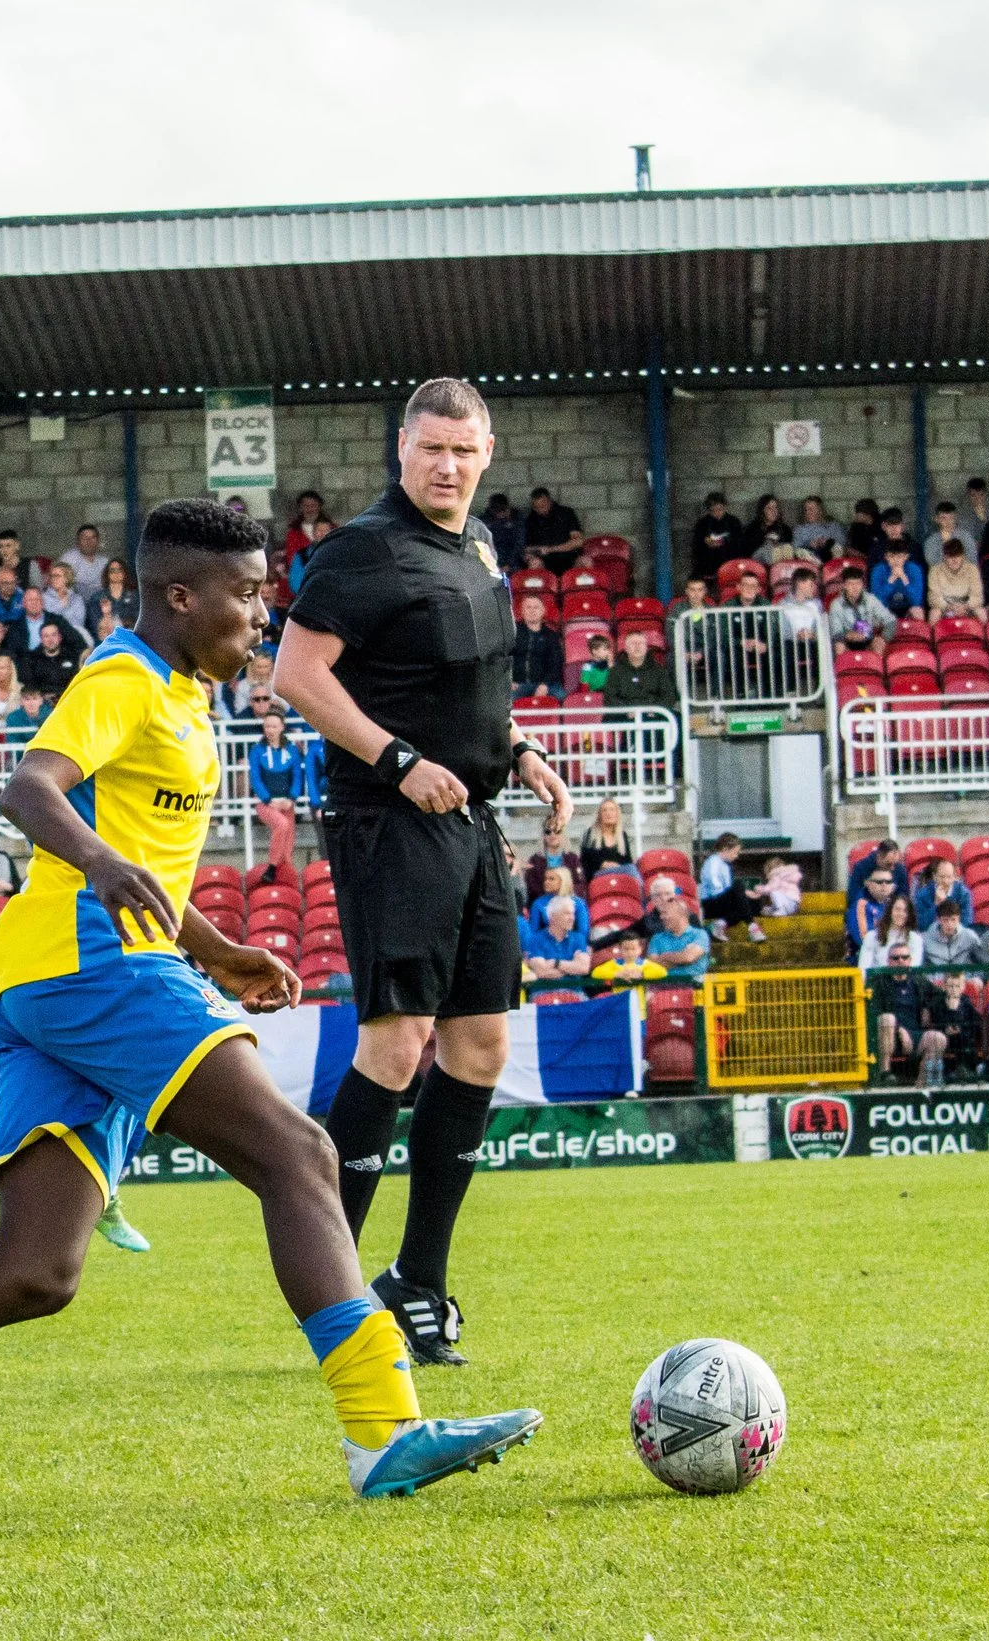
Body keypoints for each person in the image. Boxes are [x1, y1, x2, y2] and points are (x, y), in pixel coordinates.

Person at [0, 489, 541, 1506]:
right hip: (90, 966)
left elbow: (144, 872)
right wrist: (97, 862)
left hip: (58, 979)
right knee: (297, 1153)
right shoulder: (123, 676)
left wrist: (218, 949)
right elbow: (28, 787)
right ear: (180, 595)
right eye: (248, 596)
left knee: (34, 1271)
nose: (262, 616)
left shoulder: (181, 696)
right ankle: (383, 1433)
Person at [279, 374, 577, 1374]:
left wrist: (520, 747)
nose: (445, 465)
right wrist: (398, 762)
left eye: (463, 449)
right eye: (428, 450)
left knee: (481, 1045)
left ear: (486, 452)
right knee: (396, 1043)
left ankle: (417, 1285)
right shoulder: (360, 551)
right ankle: (331, 1292)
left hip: (472, 820)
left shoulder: (478, 548)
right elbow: (296, 677)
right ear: (399, 453)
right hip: (386, 820)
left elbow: (469, 685)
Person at [248, 709, 304, 886]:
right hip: (267, 803)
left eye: (273, 726)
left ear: (281, 728)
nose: (269, 730)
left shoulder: (292, 750)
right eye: (267, 726)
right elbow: (255, 778)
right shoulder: (257, 750)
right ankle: (271, 867)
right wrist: (268, 800)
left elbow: (297, 776)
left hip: (287, 803)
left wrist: (292, 798)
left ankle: (285, 884)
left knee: (287, 852)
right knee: (281, 825)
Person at [872, 942, 929, 1080]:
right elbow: (874, 1010)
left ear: (910, 960)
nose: (900, 961)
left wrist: (927, 1007)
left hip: (914, 1033)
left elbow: (938, 996)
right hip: (889, 1034)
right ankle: (884, 1073)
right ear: (888, 961)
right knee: (887, 1019)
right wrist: (899, 1029)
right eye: (895, 958)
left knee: (937, 1039)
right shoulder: (878, 981)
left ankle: (924, 1079)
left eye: (904, 957)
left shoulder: (919, 980)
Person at [698, 833, 766, 943]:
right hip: (710, 902)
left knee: (753, 905)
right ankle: (752, 927)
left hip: (722, 900)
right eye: (735, 852)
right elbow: (716, 888)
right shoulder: (713, 863)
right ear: (725, 849)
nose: (737, 856)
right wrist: (740, 894)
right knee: (738, 885)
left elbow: (730, 889)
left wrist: (744, 894)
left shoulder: (725, 865)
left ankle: (719, 924)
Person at [921, 973, 983, 1086]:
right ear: (944, 986)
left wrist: (962, 1028)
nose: (954, 989)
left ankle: (964, 1068)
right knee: (939, 1039)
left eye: (957, 986)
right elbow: (936, 1021)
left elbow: (974, 1022)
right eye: (951, 986)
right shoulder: (939, 1003)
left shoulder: (967, 1002)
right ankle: (945, 1072)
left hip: (963, 1038)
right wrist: (945, 1029)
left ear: (963, 987)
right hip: (945, 1037)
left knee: (964, 1039)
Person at [601, 630, 680, 711]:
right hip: (624, 719)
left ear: (646, 648)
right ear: (626, 648)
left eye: (641, 643)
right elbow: (609, 697)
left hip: (654, 717)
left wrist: (655, 710)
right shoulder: (615, 671)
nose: (637, 646)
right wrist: (627, 711)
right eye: (633, 643)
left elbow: (669, 695)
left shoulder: (659, 670)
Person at [522, 896, 591, 980]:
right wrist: (572, 968)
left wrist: (556, 963)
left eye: (573, 914)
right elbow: (541, 972)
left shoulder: (578, 938)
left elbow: (584, 968)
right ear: (552, 916)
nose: (572, 918)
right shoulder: (535, 939)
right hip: (544, 991)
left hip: (574, 991)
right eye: (567, 913)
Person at [645, 895, 711, 982]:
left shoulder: (700, 935)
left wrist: (663, 956)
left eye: (665, 913)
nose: (661, 917)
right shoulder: (657, 938)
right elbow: (652, 965)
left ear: (680, 914)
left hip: (695, 990)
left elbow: (689, 957)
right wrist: (682, 957)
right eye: (661, 913)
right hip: (664, 991)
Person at [826, 568, 894, 649]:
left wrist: (883, 637)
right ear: (844, 585)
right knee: (839, 646)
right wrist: (849, 635)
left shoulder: (871, 599)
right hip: (846, 641)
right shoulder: (836, 604)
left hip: (868, 639)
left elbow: (890, 620)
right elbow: (835, 632)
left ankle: (875, 661)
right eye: (851, 584)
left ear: (862, 585)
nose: (855, 587)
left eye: (858, 583)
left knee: (879, 643)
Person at [509, 594, 561, 698]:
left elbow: (556, 664)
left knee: (564, 699)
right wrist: (509, 680)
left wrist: (545, 684)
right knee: (505, 702)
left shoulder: (551, 635)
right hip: (518, 684)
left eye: (536, 607)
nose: (532, 611)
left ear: (543, 611)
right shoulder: (512, 633)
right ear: (522, 611)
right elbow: (504, 659)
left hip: (546, 684)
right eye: (528, 607)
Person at [522, 486, 584, 572]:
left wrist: (551, 549)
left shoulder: (566, 513)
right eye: (536, 507)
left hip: (569, 558)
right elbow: (526, 548)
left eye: (543, 506)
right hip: (545, 561)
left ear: (549, 502)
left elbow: (578, 542)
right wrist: (537, 550)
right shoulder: (531, 519)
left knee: (585, 561)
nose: (540, 510)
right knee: (534, 563)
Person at [925, 536, 986, 622]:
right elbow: (933, 597)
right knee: (934, 614)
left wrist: (966, 606)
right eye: (950, 556)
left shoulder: (972, 569)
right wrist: (948, 607)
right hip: (945, 608)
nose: (954, 560)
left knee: (982, 613)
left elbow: (978, 596)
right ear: (944, 557)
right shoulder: (935, 571)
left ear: (963, 556)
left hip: (967, 607)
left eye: (957, 556)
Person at [578, 798, 636, 883]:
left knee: (632, 868)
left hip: (619, 875)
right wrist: (602, 864)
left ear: (617, 814)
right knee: (631, 870)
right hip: (598, 876)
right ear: (599, 815)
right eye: (604, 810)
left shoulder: (622, 835)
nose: (608, 813)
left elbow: (628, 861)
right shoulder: (590, 834)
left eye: (612, 810)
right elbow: (586, 859)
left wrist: (617, 866)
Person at [857, 894, 919, 971]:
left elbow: (914, 968)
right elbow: (863, 969)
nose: (901, 914)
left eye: (905, 911)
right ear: (890, 911)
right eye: (897, 909)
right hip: (877, 981)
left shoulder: (915, 938)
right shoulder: (872, 936)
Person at [689, 492, 741, 580]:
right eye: (713, 510)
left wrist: (724, 543)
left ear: (725, 507)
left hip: (729, 563)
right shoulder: (703, 523)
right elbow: (696, 545)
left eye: (720, 509)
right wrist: (705, 542)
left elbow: (739, 543)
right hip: (708, 565)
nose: (717, 513)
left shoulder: (733, 522)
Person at [918, 899, 982, 968]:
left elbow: (982, 963)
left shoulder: (970, 936)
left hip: (965, 977)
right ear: (938, 920)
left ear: (958, 919)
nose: (950, 924)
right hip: (937, 978)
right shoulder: (925, 940)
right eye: (945, 920)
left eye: (953, 919)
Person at [588, 932, 666, 987]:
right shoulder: (615, 963)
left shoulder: (644, 964)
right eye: (626, 949)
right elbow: (596, 973)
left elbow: (662, 972)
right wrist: (618, 974)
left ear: (640, 949)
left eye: (633, 949)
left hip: (639, 1006)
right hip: (620, 1003)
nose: (630, 952)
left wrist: (641, 975)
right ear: (620, 949)